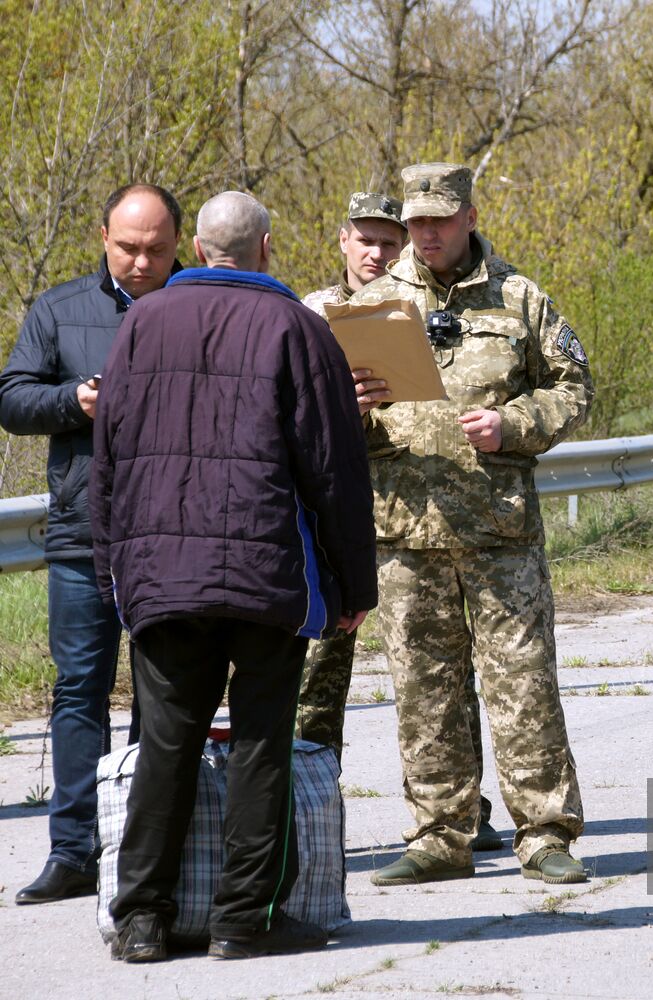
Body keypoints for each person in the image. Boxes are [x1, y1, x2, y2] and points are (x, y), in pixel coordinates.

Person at [89, 190, 378, 961]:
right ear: (267, 249)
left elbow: (107, 459)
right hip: (266, 577)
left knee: (166, 744)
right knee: (259, 744)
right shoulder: (298, 329)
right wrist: (354, 589)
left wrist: (109, 568)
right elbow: (334, 471)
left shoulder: (142, 324)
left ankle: (143, 919)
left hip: (163, 577)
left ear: (200, 247)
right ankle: (242, 920)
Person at [348, 162, 593, 887]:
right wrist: (350, 404)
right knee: (423, 690)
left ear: (468, 217)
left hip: (497, 530)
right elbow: (328, 418)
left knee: (521, 684)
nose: (425, 234)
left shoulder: (520, 299)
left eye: (438, 220)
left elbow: (574, 389)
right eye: (415, 223)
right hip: (404, 528)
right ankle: (439, 834)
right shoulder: (371, 306)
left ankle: (544, 832)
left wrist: (513, 423)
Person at [299, 190, 505, 851]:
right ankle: (308, 811)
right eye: (366, 239)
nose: (377, 251)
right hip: (333, 522)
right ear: (342, 241)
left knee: (440, 669)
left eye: (389, 241)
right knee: (315, 673)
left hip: (413, 517)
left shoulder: (433, 311)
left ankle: (463, 810)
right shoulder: (309, 314)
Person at [0, 184, 182, 906]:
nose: (141, 263)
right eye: (128, 247)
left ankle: (145, 844)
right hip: (84, 534)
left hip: (172, 532)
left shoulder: (193, 305)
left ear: (180, 244)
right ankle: (73, 850)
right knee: (79, 690)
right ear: (102, 234)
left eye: (157, 250)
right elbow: (11, 398)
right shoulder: (57, 308)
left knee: (159, 693)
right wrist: (74, 401)